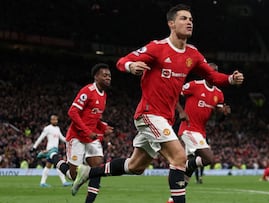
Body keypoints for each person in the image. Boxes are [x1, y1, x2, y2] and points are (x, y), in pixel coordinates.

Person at [71, 4, 244, 203]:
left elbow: (212, 76)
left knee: (135, 166)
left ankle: (89, 173)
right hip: (148, 114)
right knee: (179, 157)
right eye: (184, 19)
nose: (189, 22)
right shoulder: (157, 48)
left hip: (165, 119)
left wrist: (230, 79)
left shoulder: (193, 54)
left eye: (191, 19)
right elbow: (122, 61)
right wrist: (131, 65)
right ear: (171, 23)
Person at [48, 63, 113, 203]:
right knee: (72, 176)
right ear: (96, 77)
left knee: (98, 169)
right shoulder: (88, 91)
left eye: (109, 76)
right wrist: (87, 131)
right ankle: (53, 157)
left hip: (91, 138)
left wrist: (103, 128)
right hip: (77, 137)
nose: (108, 78)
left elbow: (95, 117)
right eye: (105, 75)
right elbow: (72, 112)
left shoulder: (104, 95)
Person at [176, 62, 231, 186]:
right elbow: (174, 94)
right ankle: (179, 167)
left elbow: (218, 120)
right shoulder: (194, 85)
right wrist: (181, 111)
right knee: (208, 158)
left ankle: (181, 185)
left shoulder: (219, 94)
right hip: (188, 129)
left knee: (192, 161)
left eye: (215, 72)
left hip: (201, 132)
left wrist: (223, 114)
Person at [30, 114, 72, 187]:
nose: (56, 121)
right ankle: (64, 182)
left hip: (55, 149)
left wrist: (69, 141)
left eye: (57, 120)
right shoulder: (47, 128)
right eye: (54, 120)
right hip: (50, 150)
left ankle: (42, 183)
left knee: (48, 166)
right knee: (58, 163)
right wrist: (34, 147)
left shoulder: (57, 128)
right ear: (51, 120)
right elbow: (41, 137)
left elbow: (62, 138)